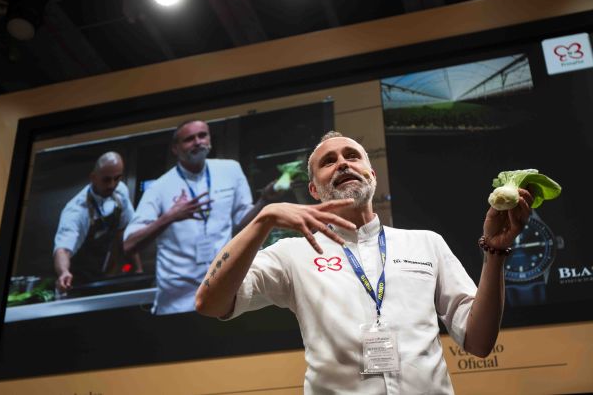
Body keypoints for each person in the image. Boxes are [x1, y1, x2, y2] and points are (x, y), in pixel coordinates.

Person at [195, 131, 533, 394]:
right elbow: (209, 303)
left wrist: (494, 251)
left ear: (370, 173)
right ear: (314, 189)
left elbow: (479, 342)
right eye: (328, 161)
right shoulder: (292, 254)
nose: (342, 163)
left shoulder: (425, 243)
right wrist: (262, 220)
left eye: (351, 156)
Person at [123, 120, 279, 315]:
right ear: (175, 148)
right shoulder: (159, 187)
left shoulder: (230, 170)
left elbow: (242, 226)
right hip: (176, 303)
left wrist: (264, 201)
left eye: (202, 135)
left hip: (223, 295)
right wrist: (169, 217)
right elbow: (130, 244)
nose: (198, 142)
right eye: (189, 139)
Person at [53, 151, 142, 292]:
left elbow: (123, 231)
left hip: (105, 275)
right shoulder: (76, 211)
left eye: (117, 178)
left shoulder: (121, 191)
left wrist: (138, 270)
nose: (112, 185)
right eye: (106, 180)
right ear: (93, 177)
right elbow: (62, 249)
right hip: (77, 280)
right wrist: (64, 272)